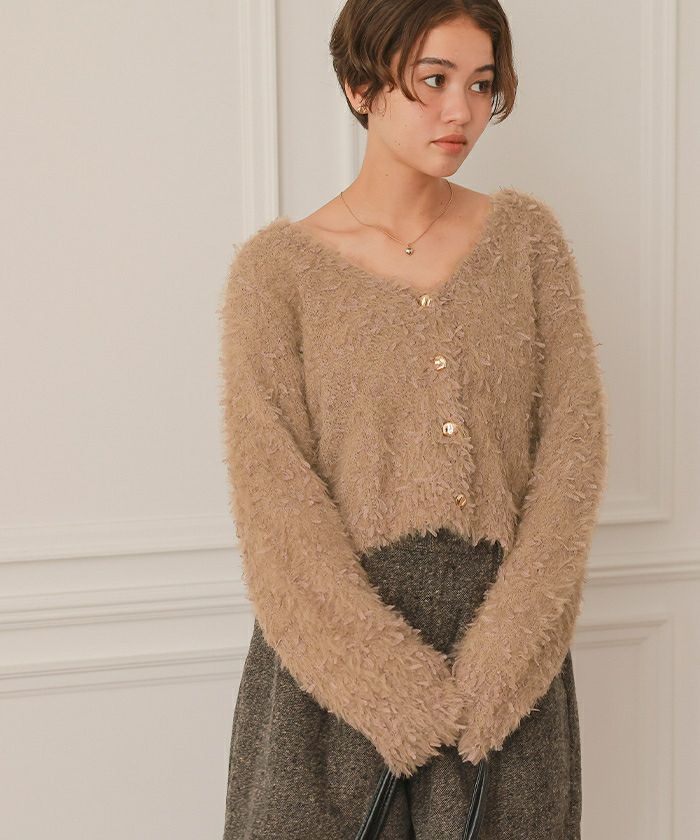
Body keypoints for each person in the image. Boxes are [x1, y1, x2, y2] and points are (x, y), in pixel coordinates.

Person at [218, 1, 609, 838]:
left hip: (505, 669)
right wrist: (387, 687)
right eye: (433, 80)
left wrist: (504, 663)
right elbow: (273, 497)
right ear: (361, 85)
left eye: (482, 84)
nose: (461, 111)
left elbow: (573, 452)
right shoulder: (275, 273)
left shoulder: (527, 243)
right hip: (331, 673)